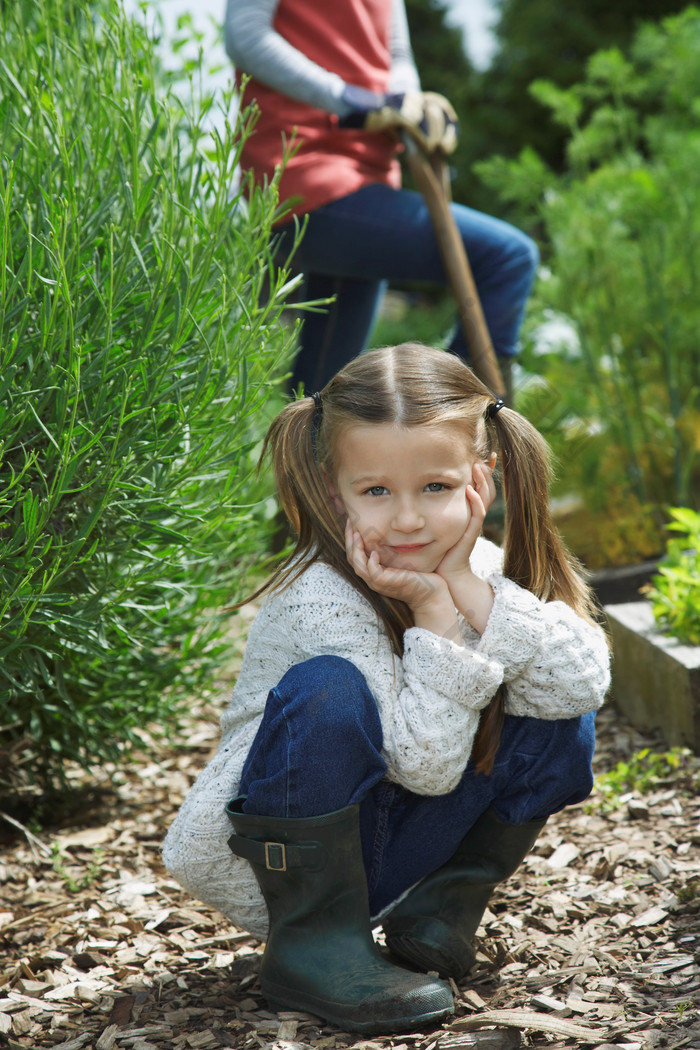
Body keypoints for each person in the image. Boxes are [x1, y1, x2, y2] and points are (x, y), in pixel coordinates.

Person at [163, 343, 611, 1035]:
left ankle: (436, 908)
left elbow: (583, 682)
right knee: (328, 691)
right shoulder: (321, 599)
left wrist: (464, 588)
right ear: (333, 487)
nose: (407, 520)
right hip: (284, 871)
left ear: (480, 480)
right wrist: (435, 616)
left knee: (553, 690)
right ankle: (312, 946)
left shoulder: (477, 567)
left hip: (396, 838)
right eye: (376, 491)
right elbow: (424, 770)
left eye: (434, 488)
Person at [223, 0, 539, 395]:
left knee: (322, 395)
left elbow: (397, 55)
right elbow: (245, 34)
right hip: (307, 178)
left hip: (366, 180)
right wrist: (348, 98)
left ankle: (306, 454)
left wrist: (411, 104)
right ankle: (454, 420)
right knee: (508, 258)